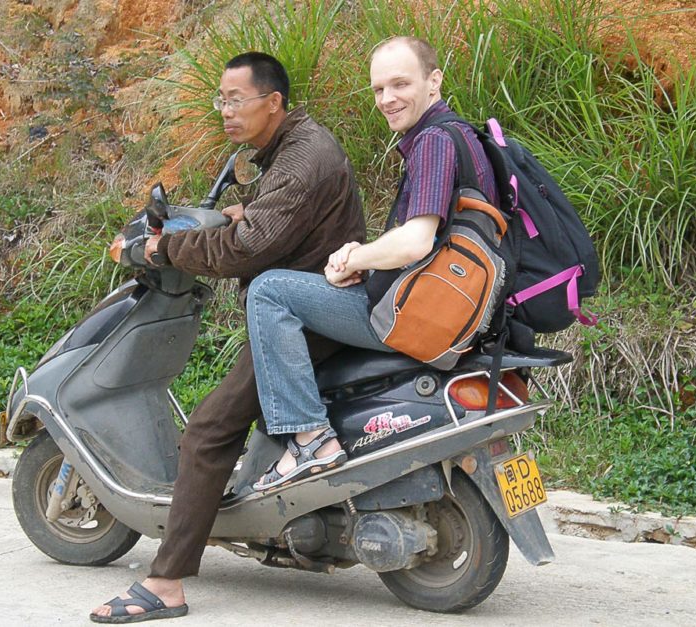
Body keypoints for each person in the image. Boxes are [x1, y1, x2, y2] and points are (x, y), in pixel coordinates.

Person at [90, 52, 365, 623]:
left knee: (209, 431)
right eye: (221, 99)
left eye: (236, 99)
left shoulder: (301, 159)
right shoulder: (293, 149)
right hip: (310, 307)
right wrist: (243, 211)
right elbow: (277, 221)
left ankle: (164, 584)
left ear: (273, 103)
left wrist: (162, 248)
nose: (226, 110)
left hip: (306, 317)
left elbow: (248, 250)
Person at [247, 36, 499, 491]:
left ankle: (310, 440)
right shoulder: (462, 135)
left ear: (434, 81)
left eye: (400, 84)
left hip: (425, 317)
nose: (387, 99)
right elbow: (438, 242)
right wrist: (370, 266)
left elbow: (417, 242)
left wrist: (354, 256)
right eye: (379, 89)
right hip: (450, 305)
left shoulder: (434, 143)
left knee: (270, 291)